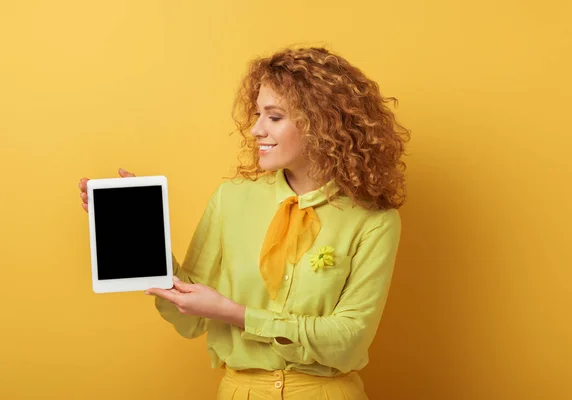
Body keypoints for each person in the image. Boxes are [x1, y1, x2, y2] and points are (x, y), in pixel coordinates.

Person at [78, 46, 410, 399]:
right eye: (257, 114)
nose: (255, 129)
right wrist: (142, 233)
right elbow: (191, 319)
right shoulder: (231, 199)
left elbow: (348, 339)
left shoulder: (374, 221)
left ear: (323, 122)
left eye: (274, 117)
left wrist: (237, 314)